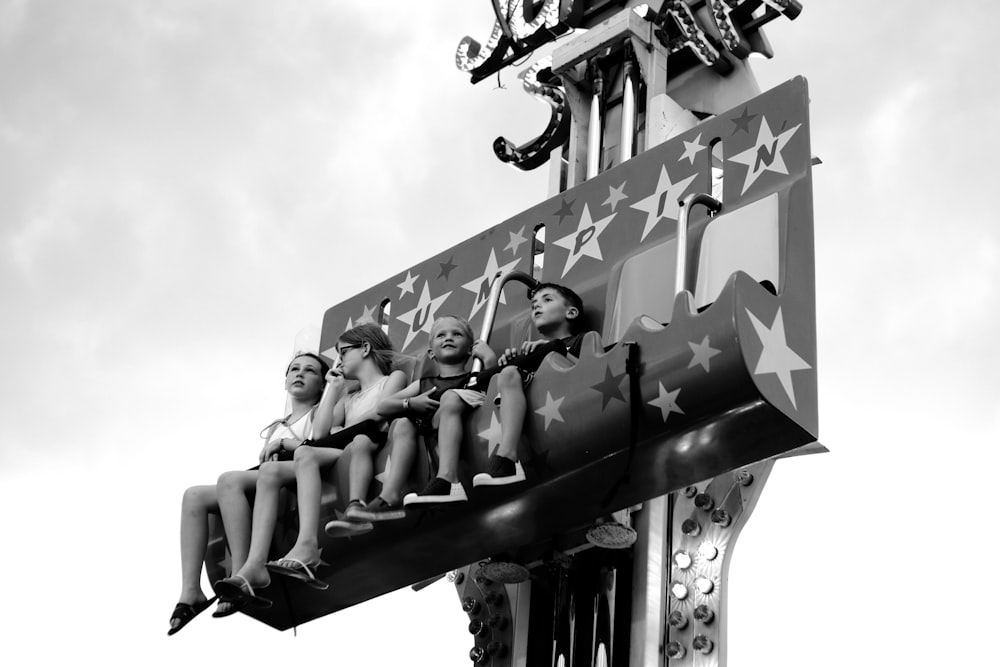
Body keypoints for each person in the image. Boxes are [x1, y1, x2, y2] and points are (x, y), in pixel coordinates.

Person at [215, 324, 406, 600]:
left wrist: (339, 432)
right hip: (343, 448)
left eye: (343, 353)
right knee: (276, 468)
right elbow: (322, 432)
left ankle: (306, 543)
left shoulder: (394, 378)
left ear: (365, 349)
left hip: (365, 445)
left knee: (305, 453)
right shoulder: (349, 397)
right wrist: (333, 389)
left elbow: (379, 414)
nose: (339, 360)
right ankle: (255, 564)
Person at [167, 352, 327, 635]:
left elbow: (323, 442)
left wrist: (288, 446)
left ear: (322, 383)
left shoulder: (320, 411)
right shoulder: (277, 425)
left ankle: (241, 572)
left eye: (311, 371)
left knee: (229, 479)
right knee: (194, 495)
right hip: (272, 479)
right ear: (285, 380)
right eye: (294, 369)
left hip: (302, 473)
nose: (300, 374)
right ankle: (190, 591)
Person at [346, 316, 497, 512]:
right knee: (401, 423)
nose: (448, 338)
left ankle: (448, 480)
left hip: (467, 427)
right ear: (431, 353)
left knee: (450, 398)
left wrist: (490, 360)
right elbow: (383, 407)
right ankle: (390, 493)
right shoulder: (425, 384)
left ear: (471, 348)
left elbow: (494, 388)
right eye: (441, 335)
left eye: (456, 334)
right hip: (429, 438)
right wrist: (411, 403)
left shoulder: (474, 379)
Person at [469, 282, 589, 487]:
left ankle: (507, 456)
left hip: (566, 404)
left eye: (547, 300)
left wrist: (552, 350)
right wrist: (498, 364)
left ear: (571, 312)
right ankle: (506, 455)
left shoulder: (581, 341)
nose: (537, 307)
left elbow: (587, 371)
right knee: (506, 373)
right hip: (538, 408)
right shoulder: (528, 353)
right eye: (533, 306)